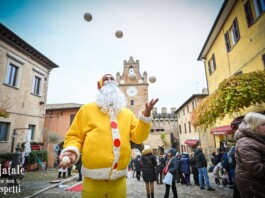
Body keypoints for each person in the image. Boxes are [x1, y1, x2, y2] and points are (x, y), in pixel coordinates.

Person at [58, 74, 158, 198]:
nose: (110, 81)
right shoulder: (86, 110)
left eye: (112, 79)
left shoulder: (127, 113)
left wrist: (146, 116)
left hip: (119, 179)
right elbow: (75, 136)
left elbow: (138, 137)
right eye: (106, 79)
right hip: (93, 179)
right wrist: (71, 150)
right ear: (99, 86)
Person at [234, 112, 265, 198]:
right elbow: (256, 168)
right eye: (263, 124)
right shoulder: (246, 143)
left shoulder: (258, 138)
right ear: (255, 126)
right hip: (253, 186)